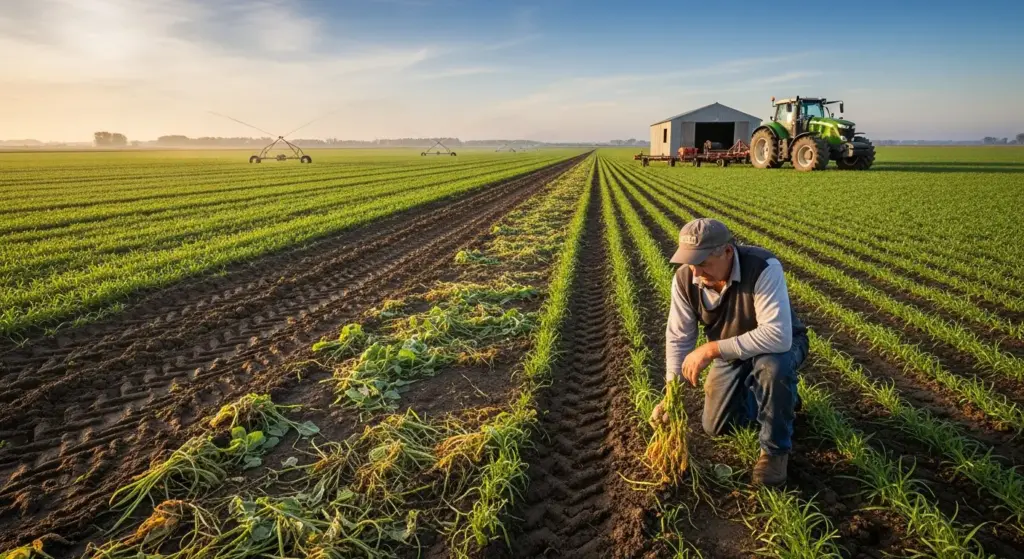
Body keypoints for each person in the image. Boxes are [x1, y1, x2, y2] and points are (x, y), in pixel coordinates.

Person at [650, 218, 808, 486]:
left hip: (779, 347)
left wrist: (712, 348)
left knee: (772, 367)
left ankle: (774, 451)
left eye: (703, 264)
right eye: (691, 263)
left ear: (727, 251)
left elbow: (777, 337)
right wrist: (671, 394)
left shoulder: (763, 267)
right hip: (732, 351)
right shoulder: (686, 279)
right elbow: (679, 337)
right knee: (717, 426)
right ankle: (779, 400)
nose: (696, 274)